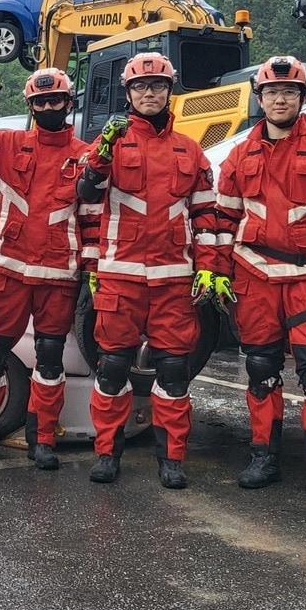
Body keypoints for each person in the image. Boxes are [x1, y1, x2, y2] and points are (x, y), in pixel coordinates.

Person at [211, 55, 306, 501]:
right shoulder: (239, 153)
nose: (280, 99)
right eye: (272, 93)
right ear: (260, 99)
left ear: (303, 98)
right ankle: (264, 455)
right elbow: (223, 217)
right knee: (261, 370)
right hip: (252, 274)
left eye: (290, 93)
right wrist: (217, 272)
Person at [76, 52, 218, 489]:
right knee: (113, 367)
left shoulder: (190, 150)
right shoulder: (111, 142)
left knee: (174, 371)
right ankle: (107, 452)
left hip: (174, 278)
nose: (149, 93)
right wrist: (99, 157)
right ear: (129, 94)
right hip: (121, 276)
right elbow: (85, 198)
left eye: (157, 85)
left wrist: (209, 269)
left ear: (169, 91)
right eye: (140, 86)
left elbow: (207, 216)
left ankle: (171, 458)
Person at [0, 68, 93, 470]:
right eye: (40, 102)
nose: (49, 107)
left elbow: (96, 214)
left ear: (69, 104)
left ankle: (42, 439)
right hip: (10, 272)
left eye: (56, 101)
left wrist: (93, 268)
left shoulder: (86, 154)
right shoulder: (6, 142)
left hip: (58, 275)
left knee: (50, 357)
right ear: (30, 106)